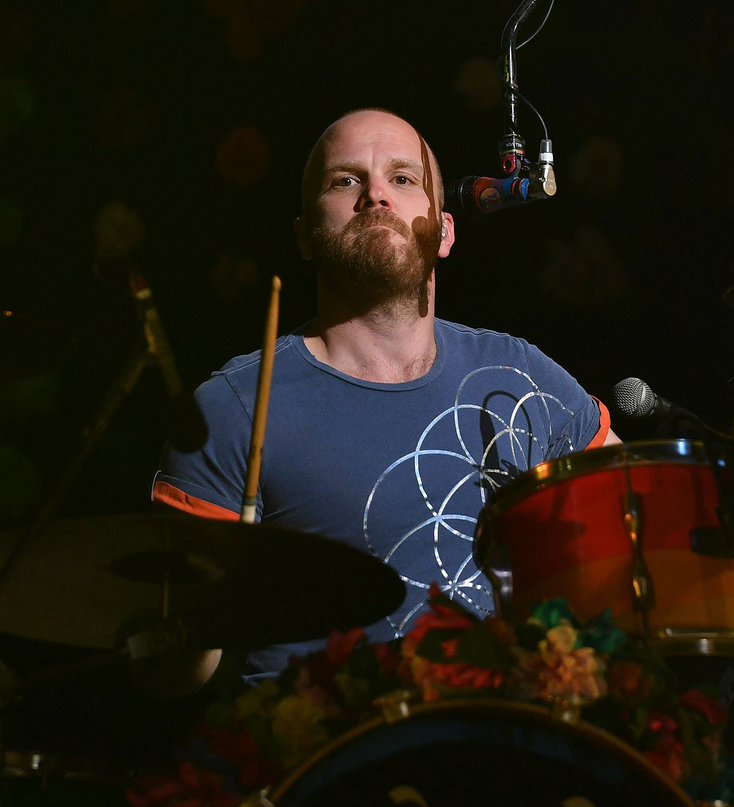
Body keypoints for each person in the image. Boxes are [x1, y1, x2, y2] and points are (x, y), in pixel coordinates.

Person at [152, 108, 618, 682]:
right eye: (345, 180)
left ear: (445, 231)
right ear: (303, 235)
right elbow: (168, 676)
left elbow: (625, 529)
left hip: (505, 737)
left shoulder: (518, 373)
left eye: (403, 179)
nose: (375, 194)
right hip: (324, 755)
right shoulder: (233, 410)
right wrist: (201, 614)